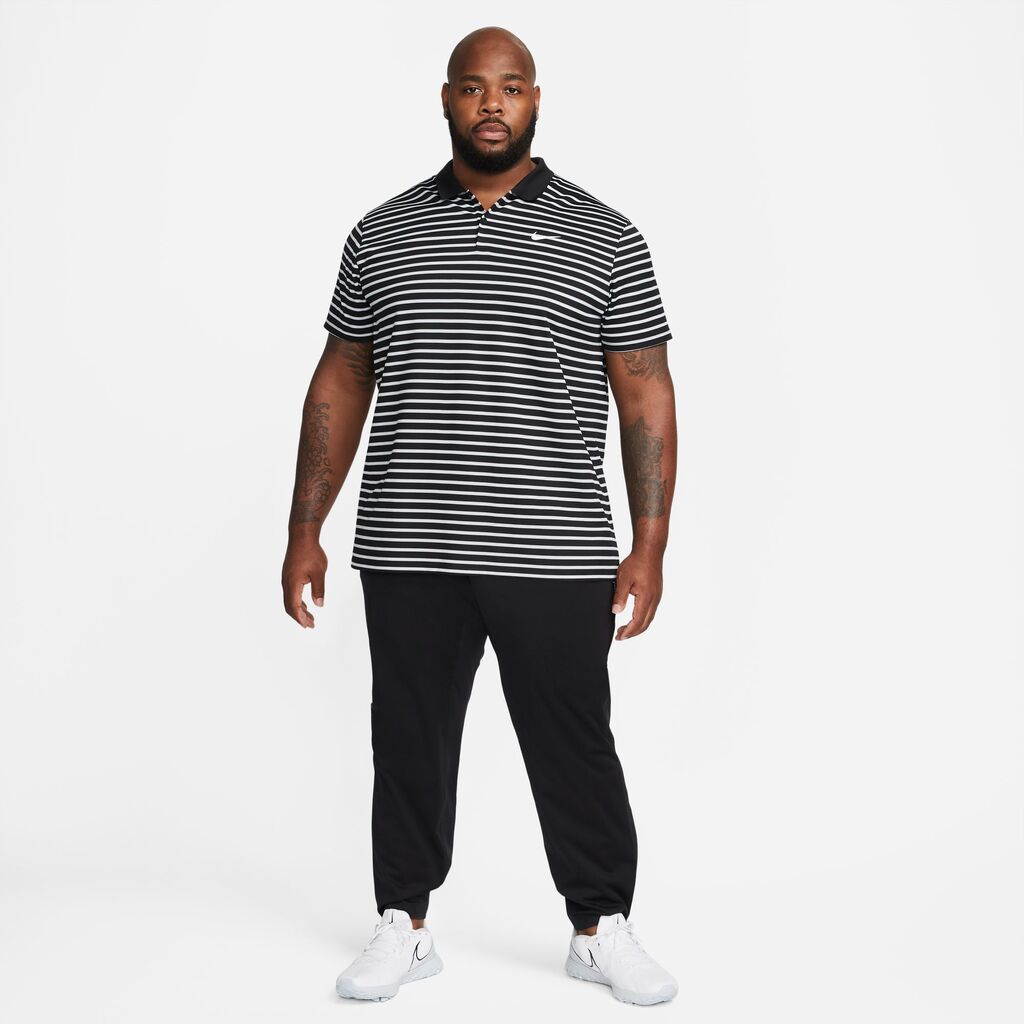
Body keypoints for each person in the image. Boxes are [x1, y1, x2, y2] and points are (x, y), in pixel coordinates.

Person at [281, 25, 679, 1007]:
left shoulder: (607, 235)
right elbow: (342, 377)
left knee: (574, 742)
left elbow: (644, 392)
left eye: (510, 86)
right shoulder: (381, 234)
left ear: (536, 100)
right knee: (408, 738)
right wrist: (303, 528)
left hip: (556, 548)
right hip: (410, 541)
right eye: (472, 86)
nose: (491, 102)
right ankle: (403, 924)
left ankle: (600, 925)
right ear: (447, 100)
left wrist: (650, 544)